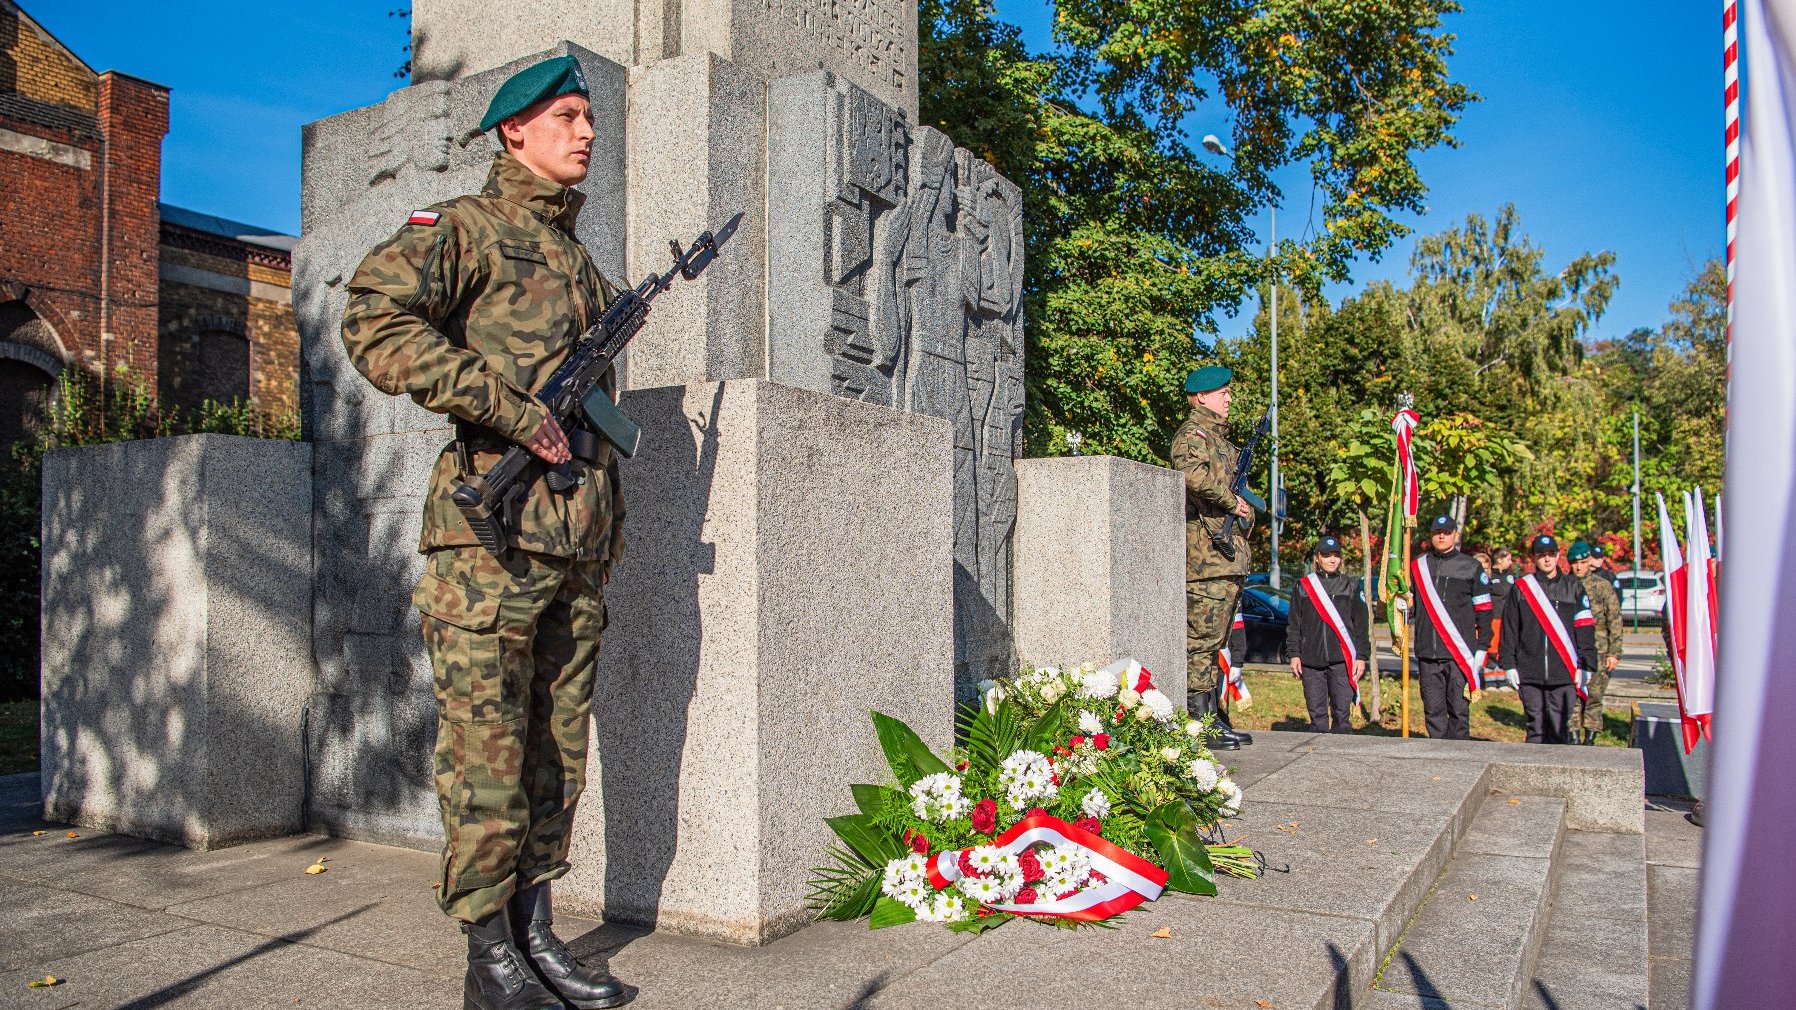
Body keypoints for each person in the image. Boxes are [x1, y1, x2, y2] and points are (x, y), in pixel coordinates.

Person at [339, 55, 628, 1010]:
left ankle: (536, 934)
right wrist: (499, 406)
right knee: (486, 755)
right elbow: (372, 315)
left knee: (557, 754)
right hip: (488, 546)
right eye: (569, 116)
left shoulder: (581, 264)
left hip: (572, 547)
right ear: (515, 131)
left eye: (590, 118)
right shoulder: (465, 230)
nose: (587, 133)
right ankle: (487, 959)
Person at [1173, 365, 1254, 748]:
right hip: (1205, 559)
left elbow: (1242, 497)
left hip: (1228, 558)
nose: (1229, 397)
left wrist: (1247, 508)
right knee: (1200, 642)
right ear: (1201, 396)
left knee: (1217, 642)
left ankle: (1213, 717)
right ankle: (1198, 722)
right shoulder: (1193, 436)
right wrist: (1232, 502)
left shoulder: (1222, 442)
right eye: (1223, 392)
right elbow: (1191, 476)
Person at [1498, 535, 1599, 745]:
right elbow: (1510, 629)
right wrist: (1508, 665)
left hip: (1564, 673)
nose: (1547, 560)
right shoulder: (1521, 588)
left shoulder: (1574, 588)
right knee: (1536, 726)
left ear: (1558, 556)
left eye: (1551, 555)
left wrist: (1587, 664)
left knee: (1559, 727)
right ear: (1534, 558)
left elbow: (1585, 629)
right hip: (1530, 672)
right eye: (1541, 556)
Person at [1409, 515, 1491, 740]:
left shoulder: (1471, 567)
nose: (1442, 536)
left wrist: (1483, 647)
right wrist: (1403, 605)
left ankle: (1458, 759)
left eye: (1446, 532)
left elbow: (1484, 612)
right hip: (1428, 653)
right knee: (1433, 712)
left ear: (1455, 534)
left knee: (1458, 712)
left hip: (1459, 654)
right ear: (1431, 535)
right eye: (1437, 532)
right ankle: (1438, 758)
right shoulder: (1418, 567)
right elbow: (1412, 607)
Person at [1288, 536, 1371, 733]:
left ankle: (1341, 761)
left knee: (1342, 717)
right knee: (1317, 718)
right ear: (1317, 558)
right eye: (1326, 556)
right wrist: (1294, 654)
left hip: (1341, 662)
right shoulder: (1302, 586)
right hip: (1311, 662)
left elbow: (1361, 625)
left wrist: (1361, 656)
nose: (1332, 560)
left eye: (1336, 556)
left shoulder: (1350, 586)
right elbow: (1293, 625)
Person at [1570, 540, 1623, 745]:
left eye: (1583, 562)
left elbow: (1615, 620)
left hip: (1599, 648)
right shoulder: (1565, 585)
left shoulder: (1602, 586)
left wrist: (1614, 652)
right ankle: (1573, 734)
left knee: (1594, 695)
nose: (1579, 567)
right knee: (1573, 695)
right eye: (1575, 563)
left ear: (1589, 562)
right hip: (1573, 649)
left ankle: (1590, 736)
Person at [1485, 547, 1518, 687]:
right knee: (1492, 649)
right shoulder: (1490, 576)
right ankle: (1491, 682)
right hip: (1494, 618)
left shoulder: (1511, 576)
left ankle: (1504, 680)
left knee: (1504, 648)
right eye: (1508, 559)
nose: (1511, 562)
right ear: (1499, 560)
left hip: (1508, 619)